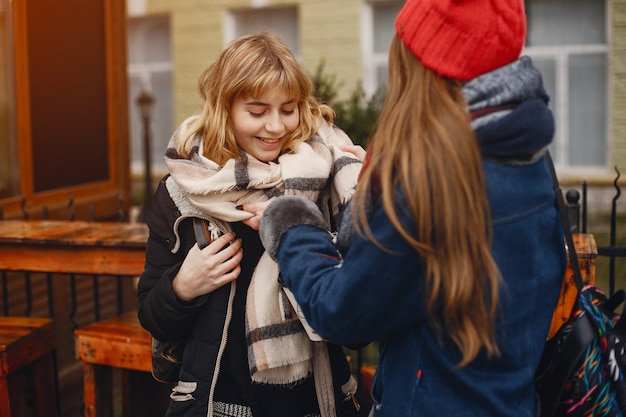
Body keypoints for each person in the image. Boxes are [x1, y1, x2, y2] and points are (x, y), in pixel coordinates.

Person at [258, 1, 567, 416]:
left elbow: (342, 313)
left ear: (420, 66)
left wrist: (294, 226)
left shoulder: (425, 186)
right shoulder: (529, 159)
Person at [137, 32, 365, 417]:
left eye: (288, 108)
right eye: (257, 112)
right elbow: (152, 315)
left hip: (315, 402)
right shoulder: (183, 192)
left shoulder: (331, 177)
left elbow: (362, 289)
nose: (275, 126)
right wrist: (182, 287)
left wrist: (301, 230)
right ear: (225, 108)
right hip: (218, 403)